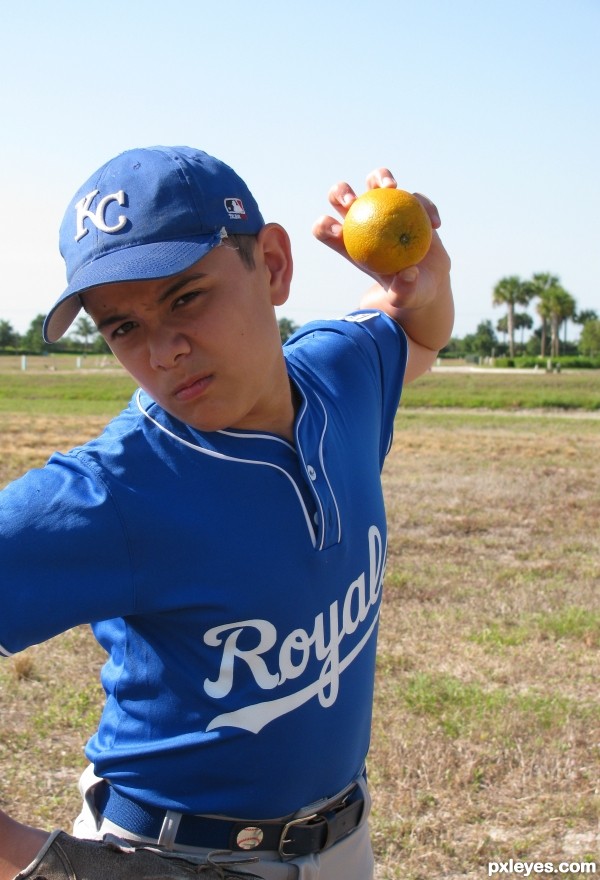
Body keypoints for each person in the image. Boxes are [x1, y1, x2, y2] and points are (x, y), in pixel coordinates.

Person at [0, 145, 453, 880]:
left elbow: (418, 328)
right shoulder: (112, 492)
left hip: (343, 842)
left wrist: (422, 273)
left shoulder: (343, 374)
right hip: (170, 855)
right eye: (122, 328)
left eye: (185, 298)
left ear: (272, 265)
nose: (164, 351)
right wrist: (32, 860)